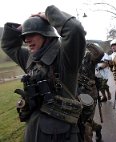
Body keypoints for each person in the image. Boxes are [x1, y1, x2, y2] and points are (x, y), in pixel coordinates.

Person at [1, 5, 86, 142]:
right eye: (24, 36)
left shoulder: (65, 58)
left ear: (47, 35)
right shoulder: (30, 59)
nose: (26, 40)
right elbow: (8, 45)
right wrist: (22, 27)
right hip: (33, 130)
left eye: (32, 34)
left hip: (60, 135)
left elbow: (75, 30)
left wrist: (48, 14)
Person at [77, 43, 104, 142]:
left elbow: (100, 53)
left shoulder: (88, 56)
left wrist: (86, 43)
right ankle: (97, 127)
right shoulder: (69, 57)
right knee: (79, 121)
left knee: (86, 125)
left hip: (89, 94)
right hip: (75, 95)